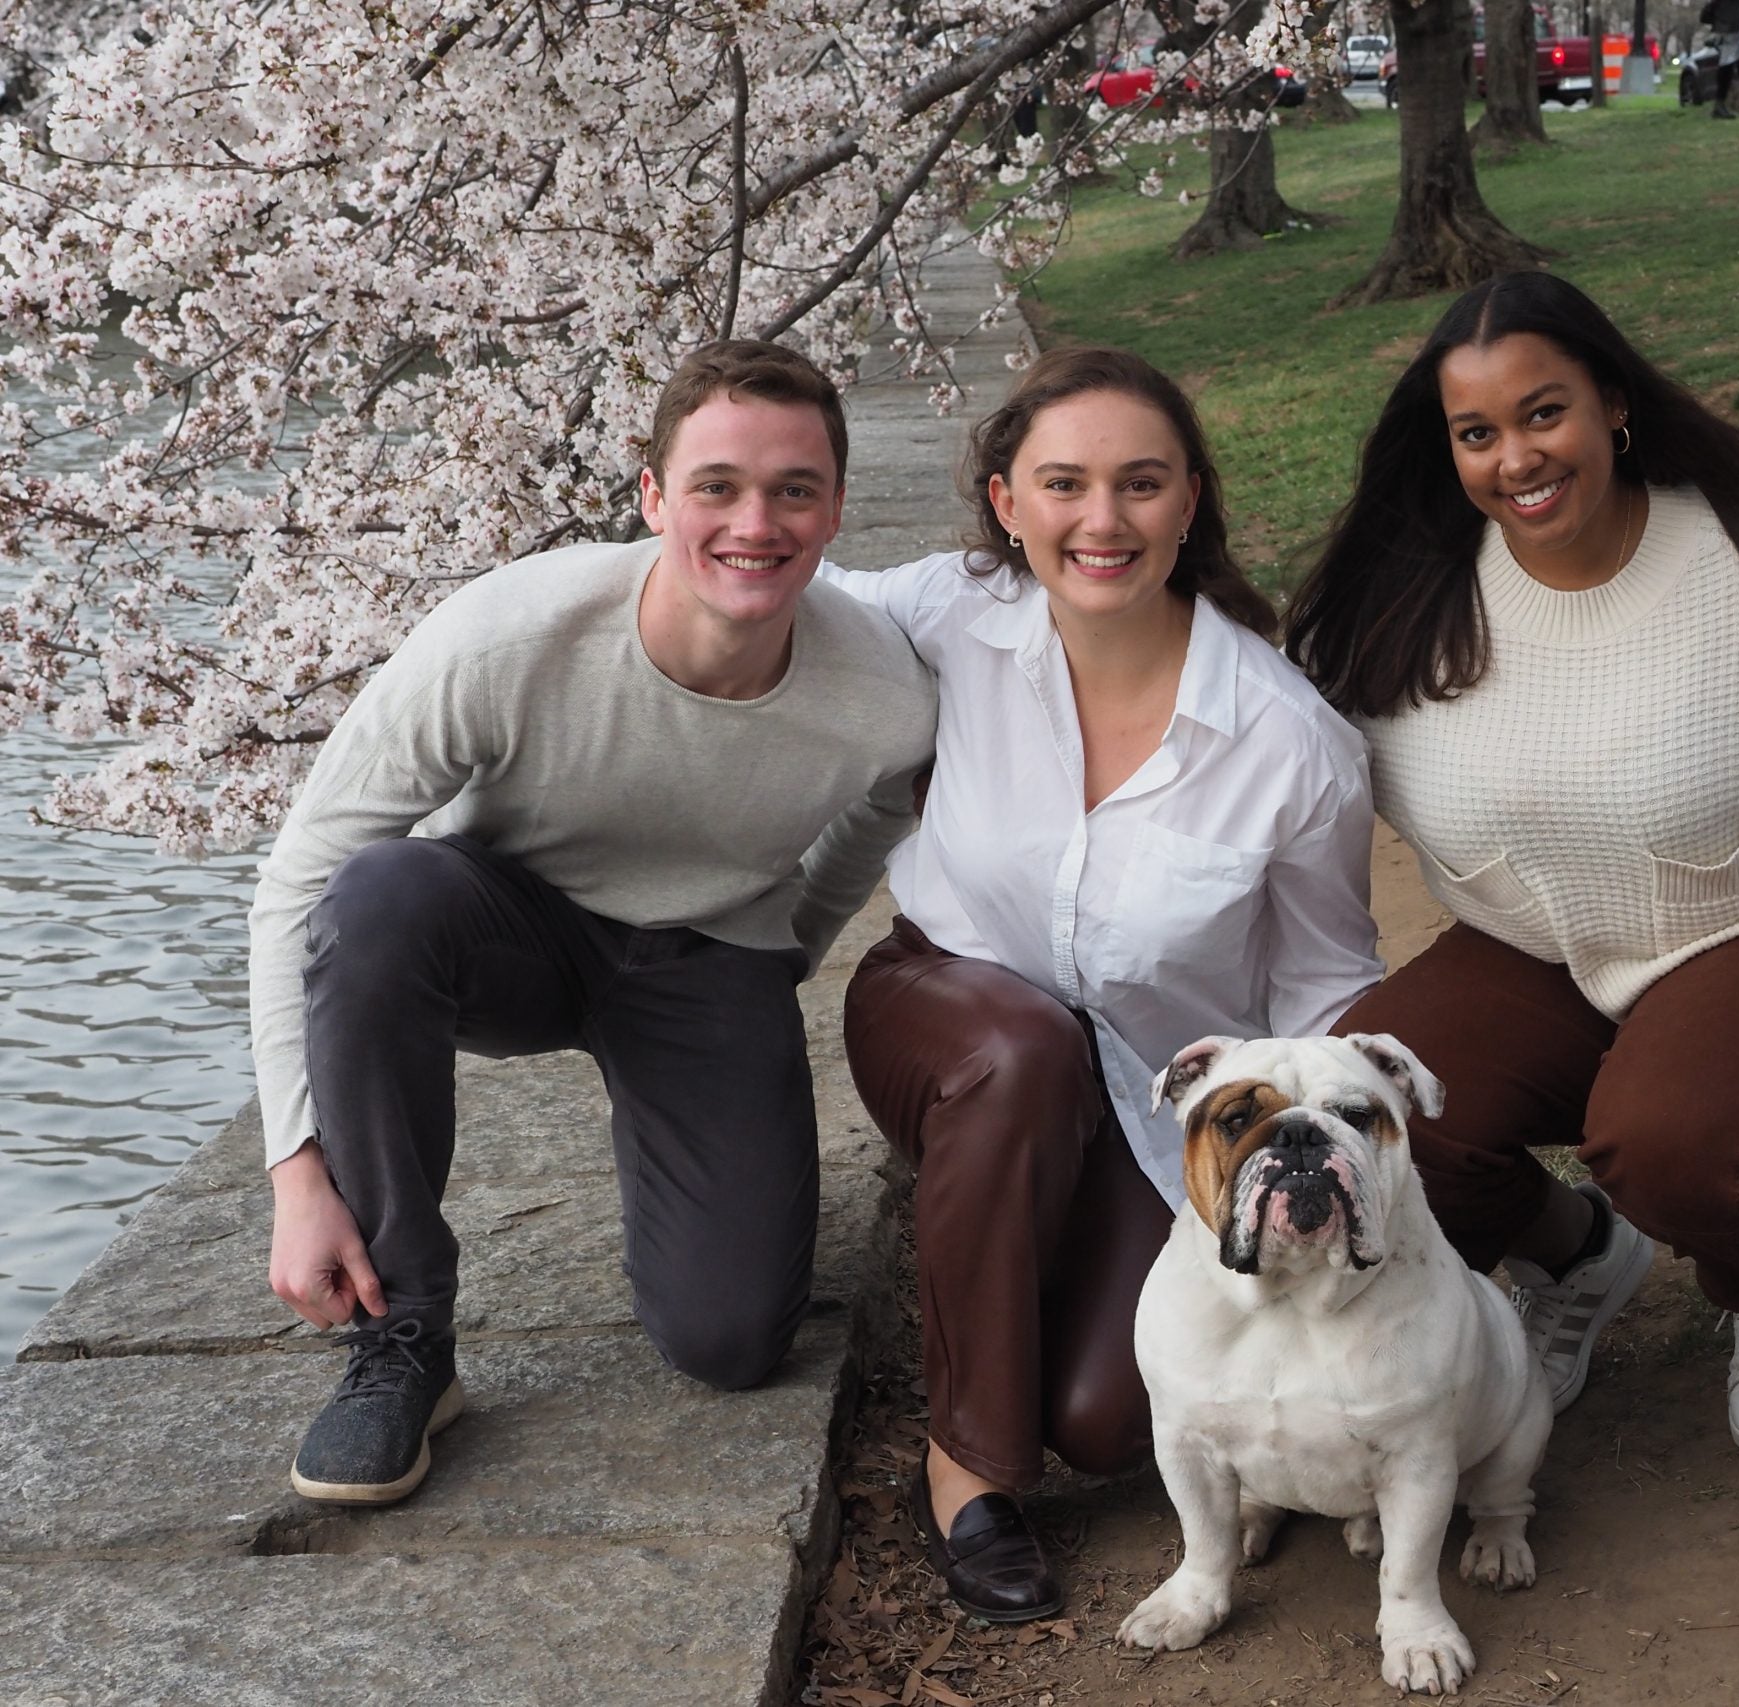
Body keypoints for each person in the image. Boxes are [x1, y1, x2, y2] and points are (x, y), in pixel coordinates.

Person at [254, 340, 939, 1505]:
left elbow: (880, 812)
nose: (753, 523)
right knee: (377, 893)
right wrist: (295, 1171)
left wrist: (788, 953)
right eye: (716, 486)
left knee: (731, 1344)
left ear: (833, 511)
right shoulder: (507, 640)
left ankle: (695, 1174)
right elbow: (299, 883)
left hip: (709, 954)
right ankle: (404, 1341)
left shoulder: (882, 692)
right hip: (506, 930)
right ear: (653, 496)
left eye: (793, 490)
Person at [1284, 272, 1739, 1455]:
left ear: (1613, 408)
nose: (1515, 458)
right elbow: (1266, 722)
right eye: (1476, 433)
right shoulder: (1414, 600)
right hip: (1546, 946)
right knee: (1364, 1113)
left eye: (1545, 413)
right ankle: (1579, 1257)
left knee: (1677, 1137)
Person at [818, 348, 1382, 1623]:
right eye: (1063, 484)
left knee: (1111, 1420)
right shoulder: (953, 612)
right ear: (1006, 502)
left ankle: (1050, 1285)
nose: (1102, 520)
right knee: (1018, 1051)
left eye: (1140, 484)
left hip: (1152, 1091)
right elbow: (767, 585)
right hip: (947, 1008)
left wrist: (1324, 1189)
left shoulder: (1288, 743)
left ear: (1191, 501)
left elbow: (1323, 986)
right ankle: (968, 1474)